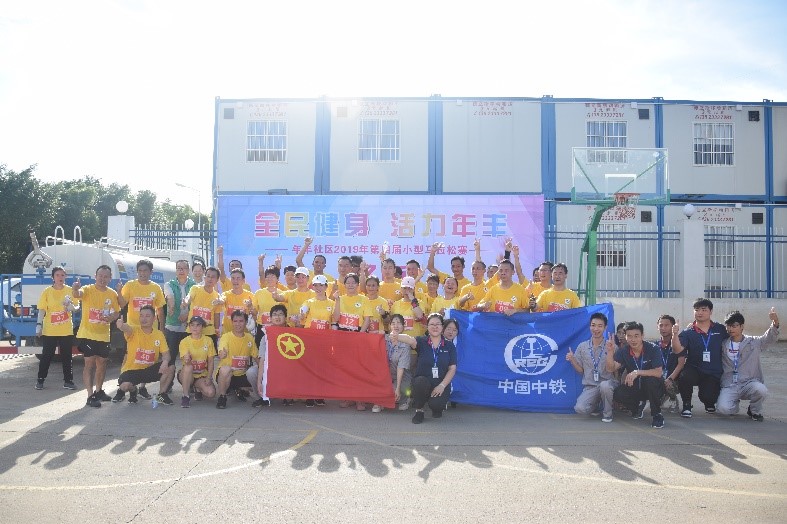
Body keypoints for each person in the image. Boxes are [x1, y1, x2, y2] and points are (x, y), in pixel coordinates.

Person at [116, 259, 166, 401]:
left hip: (151, 330)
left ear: (151, 272)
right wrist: (119, 292)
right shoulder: (130, 285)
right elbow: (122, 303)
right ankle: (122, 386)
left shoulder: (156, 288)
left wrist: (162, 328)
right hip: (132, 330)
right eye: (140, 271)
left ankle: (142, 388)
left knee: (148, 357)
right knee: (128, 356)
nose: (142, 273)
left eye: (145, 271)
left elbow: (160, 310)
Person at [717, 309, 780, 421]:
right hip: (730, 384)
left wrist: (775, 322)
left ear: (742, 326)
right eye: (728, 326)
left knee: (761, 390)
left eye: (734, 326)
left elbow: (769, 338)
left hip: (749, 383)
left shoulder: (753, 342)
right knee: (723, 409)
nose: (730, 329)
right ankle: (733, 404)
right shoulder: (723, 344)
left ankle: (754, 410)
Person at [72, 265, 121, 407]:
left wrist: (111, 317)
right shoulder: (87, 289)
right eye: (100, 276)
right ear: (95, 276)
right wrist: (75, 289)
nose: (102, 279)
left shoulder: (112, 294)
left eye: (106, 276)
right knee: (89, 363)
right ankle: (90, 395)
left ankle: (99, 391)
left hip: (104, 335)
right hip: (88, 334)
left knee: (102, 363)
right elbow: (77, 294)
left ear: (110, 278)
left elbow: (117, 312)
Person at [671, 298, 729, 418]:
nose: (700, 313)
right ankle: (687, 405)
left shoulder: (720, 329)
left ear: (711, 311)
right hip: (695, 368)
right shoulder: (688, 332)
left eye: (704, 310)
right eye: (697, 310)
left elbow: (732, 340)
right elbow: (677, 350)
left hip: (713, 371)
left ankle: (709, 402)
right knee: (685, 377)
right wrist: (675, 334)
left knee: (708, 397)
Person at [606, 321, 665, 428]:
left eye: (636, 336)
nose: (633, 339)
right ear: (626, 337)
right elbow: (611, 368)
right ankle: (637, 408)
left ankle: (657, 414)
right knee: (618, 393)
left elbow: (658, 372)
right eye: (629, 336)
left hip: (653, 386)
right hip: (635, 385)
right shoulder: (624, 351)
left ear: (642, 336)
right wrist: (610, 352)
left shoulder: (653, 348)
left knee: (651, 381)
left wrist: (637, 372)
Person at [115, 306, 175, 405]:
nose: (144, 319)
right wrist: (121, 326)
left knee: (170, 366)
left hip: (149, 370)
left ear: (154, 318)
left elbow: (166, 354)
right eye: (141, 316)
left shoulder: (159, 334)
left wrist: (165, 362)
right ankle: (133, 390)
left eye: (147, 316)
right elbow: (127, 328)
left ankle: (162, 395)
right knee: (125, 386)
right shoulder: (134, 330)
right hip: (132, 371)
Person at [566, 313, 617, 421]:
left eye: (600, 326)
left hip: (608, 383)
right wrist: (572, 360)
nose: (596, 329)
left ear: (605, 327)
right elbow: (580, 370)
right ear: (590, 326)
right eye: (593, 325)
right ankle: (597, 406)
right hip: (591, 386)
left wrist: (610, 352)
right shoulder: (582, 346)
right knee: (580, 408)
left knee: (605, 386)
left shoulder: (611, 346)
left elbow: (614, 369)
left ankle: (608, 414)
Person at [35, 266, 78, 391]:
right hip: (50, 330)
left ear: (66, 277)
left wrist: (70, 306)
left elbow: (76, 308)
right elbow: (42, 310)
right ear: (53, 277)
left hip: (66, 330)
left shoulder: (70, 290)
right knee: (47, 355)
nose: (60, 277)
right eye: (57, 275)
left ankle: (68, 381)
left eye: (62, 275)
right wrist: (38, 325)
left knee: (67, 356)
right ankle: (40, 380)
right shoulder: (47, 291)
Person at [411, 314, 457, 424]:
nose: (435, 327)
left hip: (440, 382)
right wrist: (395, 335)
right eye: (432, 324)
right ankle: (419, 410)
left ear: (442, 327)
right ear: (427, 327)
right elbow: (409, 340)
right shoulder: (421, 341)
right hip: (424, 380)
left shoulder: (449, 346)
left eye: (438, 324)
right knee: (419, 382)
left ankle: (437, 407)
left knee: (437, 406)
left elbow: (452, 368)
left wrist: (442, 386)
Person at [299, 274, 333, 407]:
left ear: (326, 287)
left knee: (322, 368)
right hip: (310, 340)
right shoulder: (309, 302)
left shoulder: (332, 303)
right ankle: (309, 395)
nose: (318, 288)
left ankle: (319, 394)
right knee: (310, 367)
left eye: (321, 285)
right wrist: (301, 314)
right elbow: (302, 313)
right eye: (315, 285)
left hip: (325, 341)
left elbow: (334, 321)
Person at [248, 304, 289, 407]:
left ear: (285, 317)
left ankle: (288, 395)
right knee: (251, 372)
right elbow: (262, 360)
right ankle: (262, 397)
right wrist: (259, 382)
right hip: (270, 369)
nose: (277, 317)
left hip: (287, 369)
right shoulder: (266, 336)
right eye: (274, 314)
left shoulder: (292, 334)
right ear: (270, 318)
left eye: (280, 314)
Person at [373, 314, 415, 413]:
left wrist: (397, 388)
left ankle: (405, 399)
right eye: (393, 323)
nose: (396, 326)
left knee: (399, 390)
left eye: (399, 323)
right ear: (389, 326)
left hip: (401, 376)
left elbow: (401, 368)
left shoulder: (406, 343)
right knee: (380, 388)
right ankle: (380, 400)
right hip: (385, 376)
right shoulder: (383, 339)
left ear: (403, 326)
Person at [215, 311, 256, 409]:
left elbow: (256, 356)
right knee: (225, 370)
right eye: (235, 321)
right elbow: (221, 351)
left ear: (246, 322)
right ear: (232, 322)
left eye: (241, 321)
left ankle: (239, 389)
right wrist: (222, 354)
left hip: (242, 375)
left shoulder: (249, 337)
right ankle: (222, 397)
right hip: (227, 375)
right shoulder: (226, 336)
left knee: (256, 375)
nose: (238, 324)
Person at [162, 260, 196, 374]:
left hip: (189, 327)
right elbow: (170, 297)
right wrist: (171, 307)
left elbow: (196, 304)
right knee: (170, 357)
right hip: (173, 326)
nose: (181, 270)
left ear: (188, 270)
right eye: (178, 268)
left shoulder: (194, 286)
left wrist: (187, 316)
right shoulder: (169, 284)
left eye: (184, 268)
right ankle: (168, 382)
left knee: (189, 357)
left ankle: (189, 381)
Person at [178, 316, 217, 408]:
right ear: (189, 327)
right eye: (192, 325)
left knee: (211, 393)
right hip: (187, 375)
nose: (195, 327)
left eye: (198, 325)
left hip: (201, 375)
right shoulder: (184, 341)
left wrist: (209, 377)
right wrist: (187, 359)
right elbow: (186, 361)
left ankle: (197, 387)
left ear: (202, 327)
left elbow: (211, 361)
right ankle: (185, 396)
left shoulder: (208, 340)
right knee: (188, 367)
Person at [182, 266, 222, 349]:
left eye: (213, 277)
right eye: (208, 276)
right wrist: (186, 302)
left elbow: (217, 315)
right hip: (193, 330)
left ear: (217, 280)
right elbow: (189, 297)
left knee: (210, 356)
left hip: (209, 332)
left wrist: (217, 329)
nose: (210, 279)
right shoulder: (195, 288)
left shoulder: (217, 296)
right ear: (204, 277)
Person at [654, 314, 686, 412]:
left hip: (674, 380)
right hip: (659, 378)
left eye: (667, 325)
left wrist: (670, 378)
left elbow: (681, 363)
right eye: (661, 325)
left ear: (673, 327)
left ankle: (673, 399)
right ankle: (661, 397)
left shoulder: (678, 343)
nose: (663, 328)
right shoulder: (654, 345)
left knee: (669, 384)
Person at [220, 268, 255, 335]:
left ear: (243, 281)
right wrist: (220, 301)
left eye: (238, 278)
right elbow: (222, 299)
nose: (235, 281)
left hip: (244, 335)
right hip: (227, 334)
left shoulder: (250, 295)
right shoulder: (225, 295)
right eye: (233, 278)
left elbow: (255, 314)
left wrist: (251, 306)